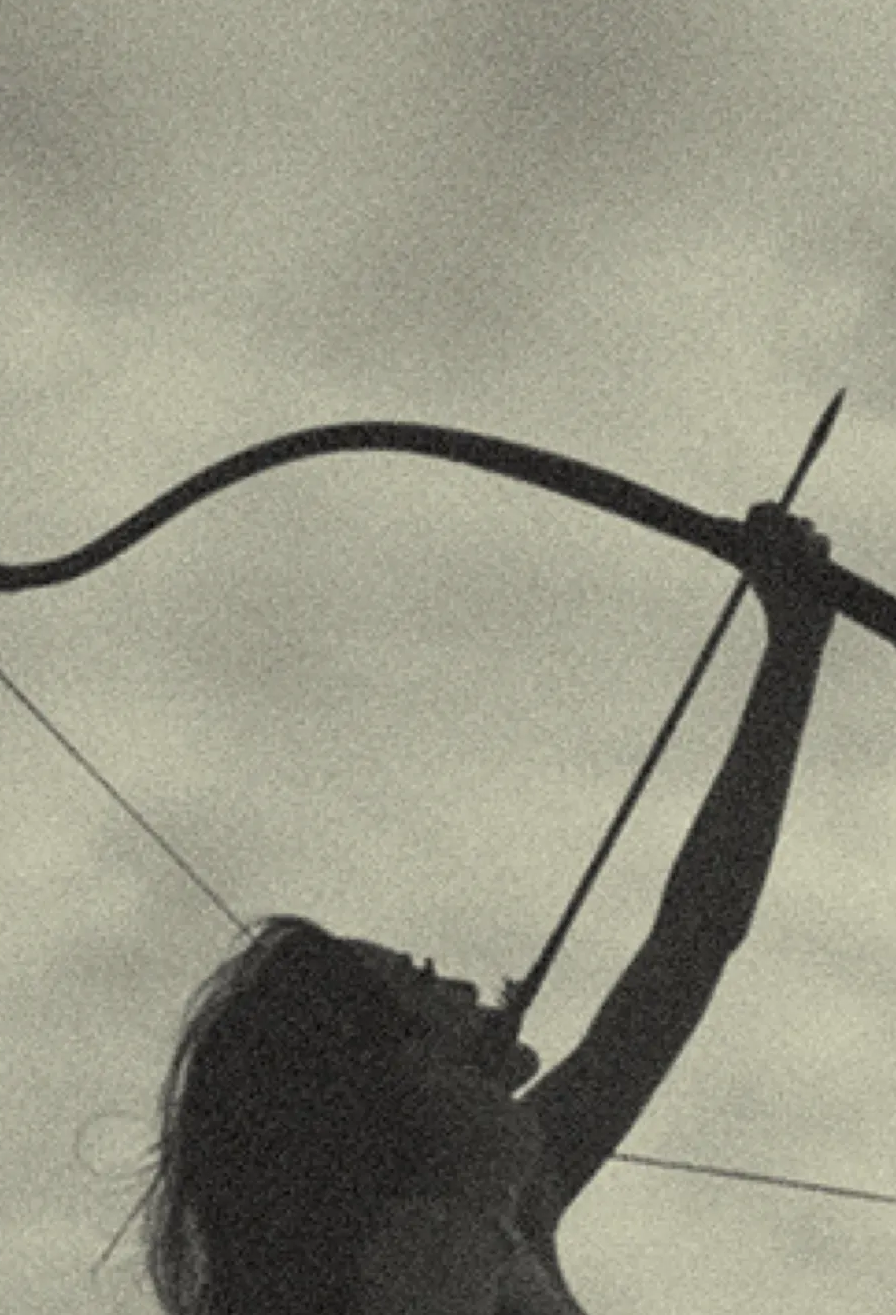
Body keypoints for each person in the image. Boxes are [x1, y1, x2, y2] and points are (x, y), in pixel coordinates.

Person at [136, 502, 837, 1315]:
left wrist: (794, 647)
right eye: (422, 983)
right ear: (384, 1072)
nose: (467, 992)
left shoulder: (501, 1194)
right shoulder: (421, 1239)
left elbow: (694, 938)